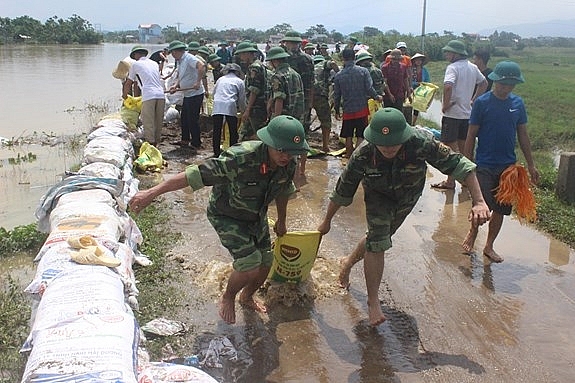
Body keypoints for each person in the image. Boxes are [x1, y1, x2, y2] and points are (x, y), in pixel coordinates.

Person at [128, 115, 310, 324]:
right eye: (281, 150)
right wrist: (152, 192)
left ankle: (247, 296)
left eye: (291, 152)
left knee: (266, 263)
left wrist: (282, 220)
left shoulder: (287, 164)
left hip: (255, 215)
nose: (286, 156)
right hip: (226, 214)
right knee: (249, 265)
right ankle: (228, 297)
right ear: (269, 143)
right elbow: (193, 175)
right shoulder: (240, 158)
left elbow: (283, 190)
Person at [317, 108, 490, 326]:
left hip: (408, 195)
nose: (388, 148)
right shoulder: (363, 154)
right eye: (383, 143)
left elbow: (462, 166)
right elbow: (342, 192)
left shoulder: (421, 142)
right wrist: (327, 221)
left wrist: (480, 201)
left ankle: (347, 263)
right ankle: (372, 303)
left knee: (378, 237)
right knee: (378, 241)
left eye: (394, 143)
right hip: (377, 195)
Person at [462, 61, 540, 263]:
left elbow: (523, 135)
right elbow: (471, 136)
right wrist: (466, 163)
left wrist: (531, 165)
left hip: (508, 167)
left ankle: (489, 246)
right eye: (502, 84)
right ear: (494, 81)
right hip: (484, 164)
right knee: (481, 206)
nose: (505, 88)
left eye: (510, 85)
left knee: (500, 209)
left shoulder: (517, 104)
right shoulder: (482, 103)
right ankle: (473, 232)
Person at [431, 40, 487, 190]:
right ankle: (465, 180)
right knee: (464, 150)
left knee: (450, 151)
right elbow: (484, 83)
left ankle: (451, 181)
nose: (446, 54)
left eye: (448, 52)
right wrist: (473, 100)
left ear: (456, 54)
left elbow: (448, 86)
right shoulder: (472, 67)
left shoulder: (453, 68)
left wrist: (445, 105)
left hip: (452, 115)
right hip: (466, 116)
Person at [333, 48, 381, 158]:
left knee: (348, 135)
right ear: (354, 58)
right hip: (361, 108)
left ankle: (349, 154)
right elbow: (369, 88)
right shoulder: (363, 71)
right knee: (360, 134)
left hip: (347, 109)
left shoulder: (339, 75)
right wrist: (377, 96)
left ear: (343, 59)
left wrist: (336, 110)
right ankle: (357, 156)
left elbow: (337, 95)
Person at [282, 31, 315, 175]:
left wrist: (309, 103)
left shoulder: (304, 59)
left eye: (293, 43)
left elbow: (311, 84)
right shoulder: (286, 58)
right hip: (294, 101)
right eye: (290, 43)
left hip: (296, 102)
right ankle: (296, 168)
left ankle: (298, 169)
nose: (291, 45)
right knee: (296, 134)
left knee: (299, 134)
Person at [122, 46, 165, 146]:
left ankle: (151, 145)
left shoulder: (135, 64)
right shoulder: (154, 63)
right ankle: (156, 142)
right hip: (161, 95)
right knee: (158, 121)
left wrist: (124, 96)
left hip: (149, 95)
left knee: (148, 121)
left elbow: (129, 83)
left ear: (136, 55)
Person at [167, 40, 206, 148]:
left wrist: (198, 82)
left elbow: (201, 66)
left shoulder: (189, 58)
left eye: (172, 53)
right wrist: (176, 86)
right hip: (187, 94)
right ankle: (185, 139)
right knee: (184, 117)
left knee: (193, 119)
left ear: (176, 51)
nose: (172, 55)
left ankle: (196, 142)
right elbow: (181, 76)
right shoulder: (180, 61)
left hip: (196, 94)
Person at [235, 41, 270, 141]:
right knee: (244, 135)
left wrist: (248, 109)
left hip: (256, 108)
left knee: (259, 135)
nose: (240, 58)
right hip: (255, 107)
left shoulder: (254, 67)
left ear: (247, 54)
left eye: (241, 54)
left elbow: (254, 90)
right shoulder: (257, 65)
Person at [211, 63, 246, 157]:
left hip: (217, 104)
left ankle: (216, 152)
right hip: (230, 105)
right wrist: (243, 111)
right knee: (232, 130)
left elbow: (214, 93)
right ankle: (232, 152)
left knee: (217, 130)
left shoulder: (220, 79)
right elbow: (242, 99)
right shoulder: (239, 81)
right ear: (238, 72)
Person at [266, 47, 305, 124]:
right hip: (297, 117)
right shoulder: (295, 73)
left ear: (275, 61)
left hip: (283, 118)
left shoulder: (278, 76)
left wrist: (276, 121)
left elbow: (279, 99)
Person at [312, 55, 337, 152]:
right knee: (326, 121)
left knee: (304, 122)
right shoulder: (323, 64)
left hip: (307, 96)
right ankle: (325, 146)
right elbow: (333, 63)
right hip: (320, 96)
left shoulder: (310, 67)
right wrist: (339, 73)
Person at [410, 52, 430, 125]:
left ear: (422, 61)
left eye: (420, 60)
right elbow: (408, 80)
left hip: (421, 91)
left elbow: (428, 80)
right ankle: (408, 122)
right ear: (414, 61)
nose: (418, 61)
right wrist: (416, 84)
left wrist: (424, 85)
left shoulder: (424, 70)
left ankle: (413, 123)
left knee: (417, 108)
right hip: (411, 90)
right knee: (409, 106)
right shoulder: (411, 70)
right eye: (417, 60)